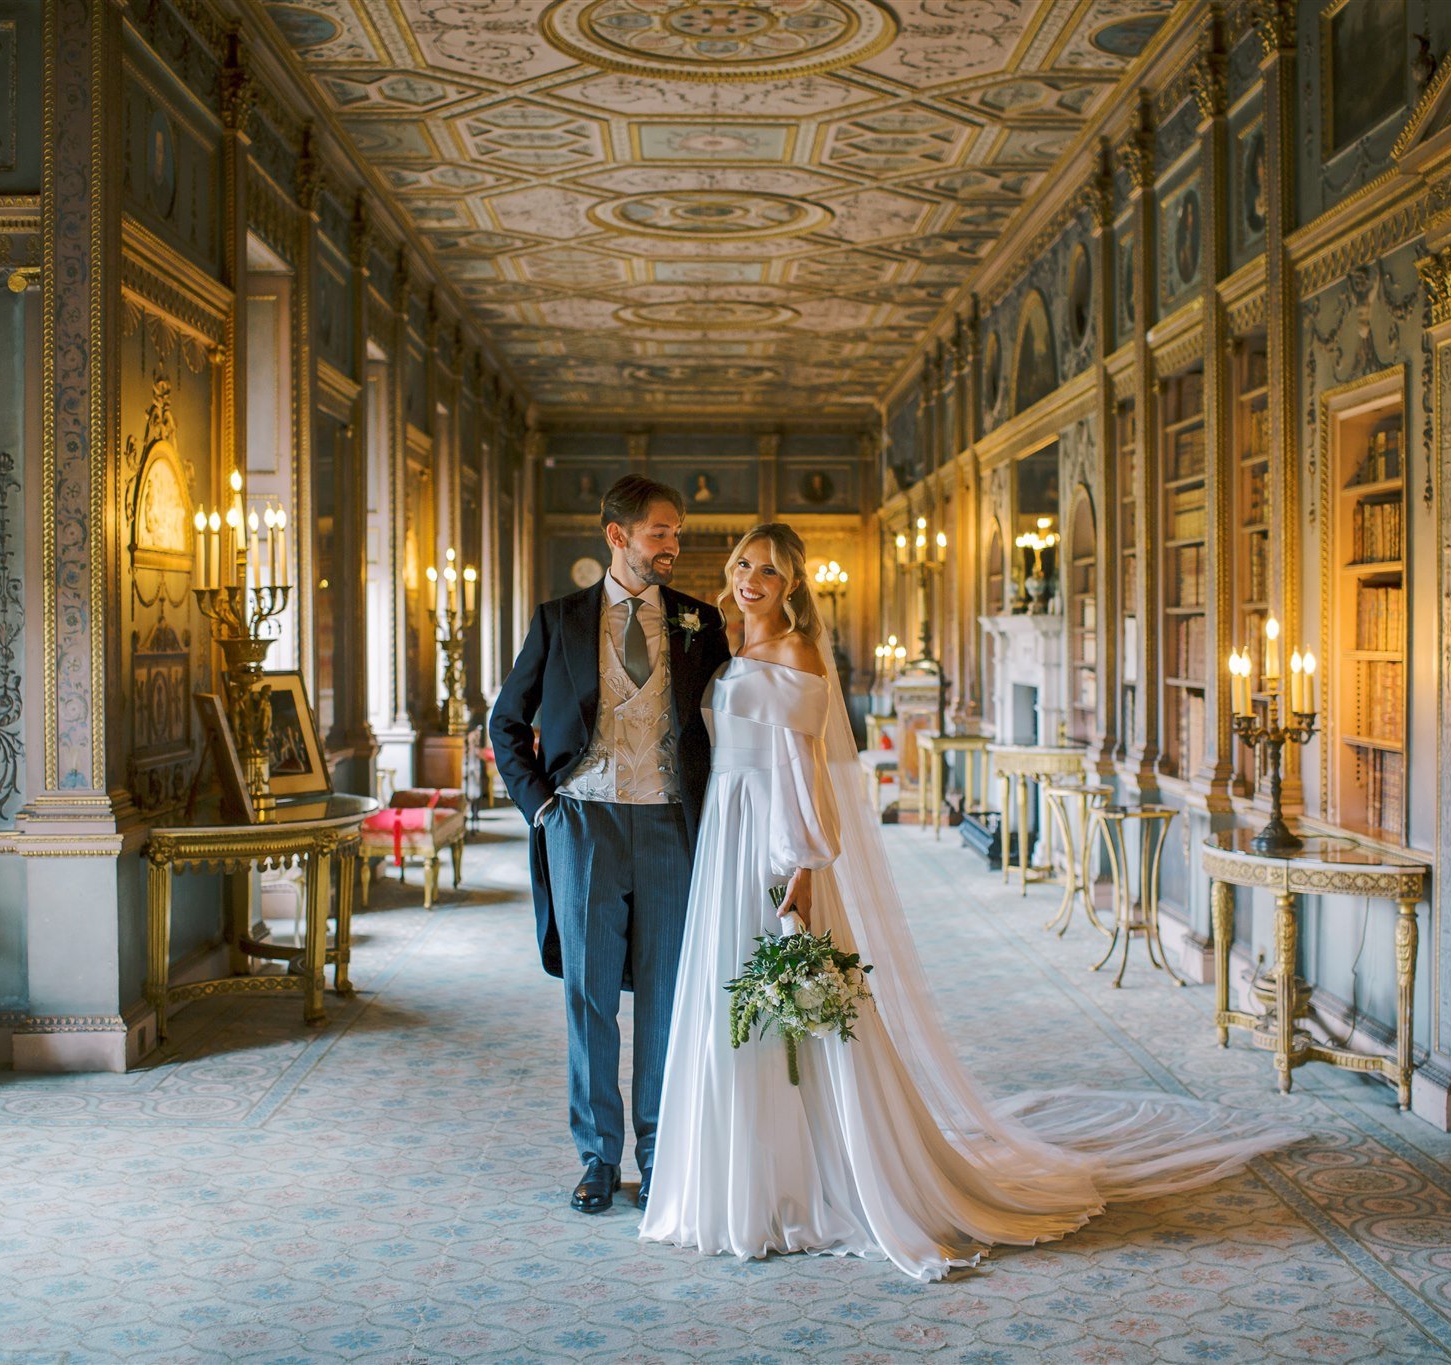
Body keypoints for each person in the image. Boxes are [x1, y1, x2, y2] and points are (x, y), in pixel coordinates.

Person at [640, 522, 1301, 1280]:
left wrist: (806, 865)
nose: (752, 578)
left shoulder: (796, 651)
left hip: (770, 842)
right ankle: (732, 1181)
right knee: (729, 1000)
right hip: (723, 833)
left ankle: (809, 1181)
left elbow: (807, 768)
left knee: (796, 1000)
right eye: (744, 564)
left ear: (793, 585)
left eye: (770, 570)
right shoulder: (724, 650)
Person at [490, 475, 732, 1216]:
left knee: (665, 997)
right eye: (660, 531)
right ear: (617, 536)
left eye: (678, 534)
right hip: (584, 823)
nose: (673, 546)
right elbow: (505, 722)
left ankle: (658, 1153)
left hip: (668, 824)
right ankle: (598, 1156)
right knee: (589, 995)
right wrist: (542, 809)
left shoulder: (701, 621)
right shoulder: (559, 619)